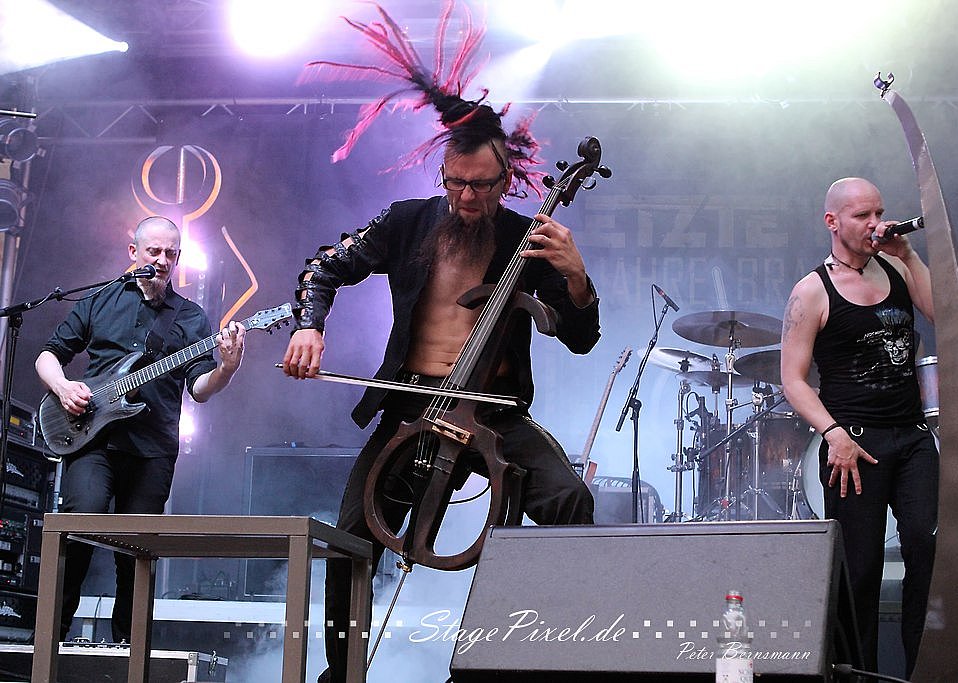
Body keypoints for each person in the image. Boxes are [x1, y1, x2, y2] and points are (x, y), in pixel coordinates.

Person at [281, 107, 600, 683]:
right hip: (413, 405)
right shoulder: (406, 221)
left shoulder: (528, 240)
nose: (467, 197)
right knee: (352, 536)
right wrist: (309, 326)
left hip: (492, 410)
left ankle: (527, 660)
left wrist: (576, 277)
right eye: (456, 183)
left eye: (481, 185)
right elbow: (322, 268)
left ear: (506, 181)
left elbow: (581, 338)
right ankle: (341, 673)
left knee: (569, 500)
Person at [35, 215, 246, 642]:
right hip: (92, 438)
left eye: (171, 253)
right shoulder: (100, 299)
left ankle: (128, 650)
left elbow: (200, 389)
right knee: (78, 526)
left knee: (137, 551)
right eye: (154, 251)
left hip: (153, 448)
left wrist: (227, 367)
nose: (163, 260)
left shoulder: (190, 317)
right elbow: (48, 355)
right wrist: (63, 387)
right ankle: (49, 640)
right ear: (134, 252)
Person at [780, 177, 937, 677]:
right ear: (833, 222)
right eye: (862, 216)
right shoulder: (812, 290)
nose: (875, 224)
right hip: (855, 445)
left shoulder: (898, 268)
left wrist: (909, 255)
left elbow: (946, 315)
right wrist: (833, 434)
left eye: (879, 213)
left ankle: (924, 671)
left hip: (912, 437)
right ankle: (859, 675)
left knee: (927, 547)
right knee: (860, 572)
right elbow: (793, 379)